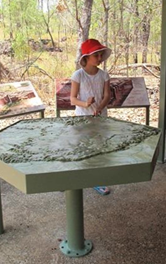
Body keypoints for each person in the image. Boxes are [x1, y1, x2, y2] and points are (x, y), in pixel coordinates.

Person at [70, 38, 112, 195]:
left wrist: (99, 107)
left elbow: (107, 95)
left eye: (101, 55)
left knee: (99, 147)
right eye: (97, 56)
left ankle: (96, 180)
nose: (100, 59)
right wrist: (86, 104)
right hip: (82, 118)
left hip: (100, 117)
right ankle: (75, 177)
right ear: (86, 57)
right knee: (82, 147)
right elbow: (73, 99)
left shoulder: (104, 75)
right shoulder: (78, 75)